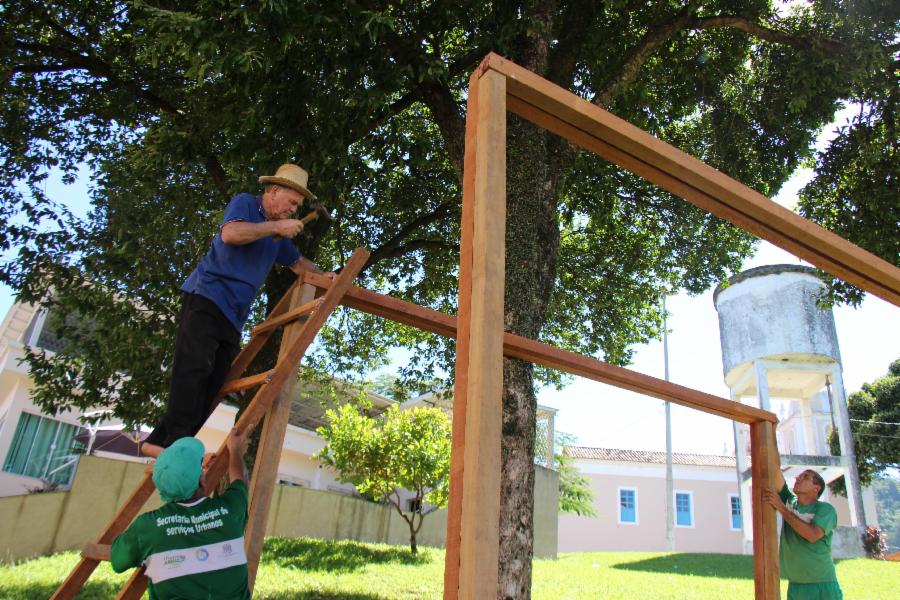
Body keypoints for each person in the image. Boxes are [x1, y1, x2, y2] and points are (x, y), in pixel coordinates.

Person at [141, 163, 331, 458]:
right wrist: (276, 227)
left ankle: (161, 442)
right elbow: (231, 234)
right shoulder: (246, 204)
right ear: (274, 190)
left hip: (233, 316)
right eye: (292, 202)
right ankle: (178, 446)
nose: (294, 210)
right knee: (193, 369)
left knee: (215, 383)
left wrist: (328, 277)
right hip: (207, 297)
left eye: (298, 206)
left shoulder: (277, 240)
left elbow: (298, 264)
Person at [111, 425, 253, 599]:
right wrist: (236, 451)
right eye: (201, 465)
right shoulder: (230, 511)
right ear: (201, 480)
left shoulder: (147, 528)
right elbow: (240, 480)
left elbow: (118, 561)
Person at [763, 454, 843, 600]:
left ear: (816, 488)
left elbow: (812, 535)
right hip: (796, 586)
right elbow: (775, 470)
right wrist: (772, 431)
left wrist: (781, 508)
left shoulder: (825, 510)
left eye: (805, 477)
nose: (798, 478)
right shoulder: (790, 502)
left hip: (822, 585)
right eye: (798, 476)